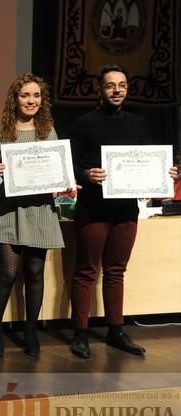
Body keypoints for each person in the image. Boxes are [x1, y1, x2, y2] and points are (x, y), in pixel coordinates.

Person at [69, 64, 178, 359]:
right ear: (100, 89)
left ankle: (115, 330)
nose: (117, 90)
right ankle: (80, 333)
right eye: (110, 85)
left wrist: (166, 172)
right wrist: (86, 174)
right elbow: (70, 165)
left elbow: (149, 162)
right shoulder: (84, 124)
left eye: (122, 85)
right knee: (86, 272)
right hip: (93, 207)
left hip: (126, 209)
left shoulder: (138, 123)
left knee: (116, 272)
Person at [0, 73, 63, 357]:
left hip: (39, 209)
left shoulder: (48, 132)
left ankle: (30, 331)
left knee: (35, 272)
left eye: (36, 96)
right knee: (7, 273)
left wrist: (63, 183)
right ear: (14, 99)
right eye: (25, 95)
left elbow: (57, 171)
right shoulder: (0, 135)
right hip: (9, 211)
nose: (31, 101)